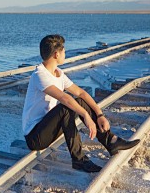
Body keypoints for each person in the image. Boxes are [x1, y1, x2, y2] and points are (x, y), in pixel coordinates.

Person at [22, 34, 139, 172]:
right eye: (63, 50)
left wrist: (99, 114)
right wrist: (86, 116)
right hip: (35, 137)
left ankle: (110, 141)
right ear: (56, 54)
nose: (65, 53)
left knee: (80, 102)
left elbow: (81, 93)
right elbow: (64, 98)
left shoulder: (58, 73)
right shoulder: (40, 75)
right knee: (64, 108)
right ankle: (78, 160)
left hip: (49, 127)